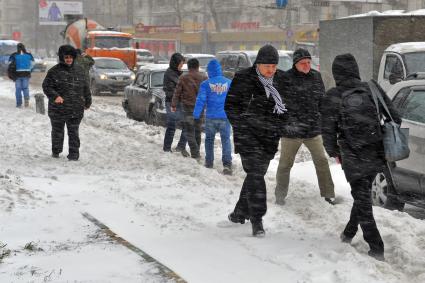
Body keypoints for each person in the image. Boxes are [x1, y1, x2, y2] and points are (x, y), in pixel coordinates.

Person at [321, 53, 401, 261]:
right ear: (356, 69)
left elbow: (328, 131)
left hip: (352, 154)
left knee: (363, 201)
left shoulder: (333, 96)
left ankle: (376, 247)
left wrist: (334, 151)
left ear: (336, 73)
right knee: (363, 194)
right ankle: (348, 232)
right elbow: (395, 117)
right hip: (375, 153)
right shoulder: (372, 88)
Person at [225, 45, 286, 237]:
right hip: (248, 136)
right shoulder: (243, 78)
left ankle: (239, 212)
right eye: (267, 66)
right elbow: (230, 106)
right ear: (258, 64)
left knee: (255, 174)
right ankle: (257, 219)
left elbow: (288, 106)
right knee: (256, 174)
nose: (271, 70)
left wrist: (282, 125)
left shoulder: (281, 80)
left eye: (274, 66)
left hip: (269, 137)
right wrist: (242, 125)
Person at [275, 48, 335, 205]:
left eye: (309, 62)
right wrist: (287, 122)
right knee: (285, 165)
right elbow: (279, 104)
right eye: (303, 63)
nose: (307, 65)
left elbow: (322, 100)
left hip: (312, 129)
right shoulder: (285, 78)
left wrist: (323, 118)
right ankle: (280, 195)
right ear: (295, 64)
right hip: (291, 131)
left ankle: (328, 194)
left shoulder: (316, 76)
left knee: (322, 160)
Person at [42, 45, 92, 161]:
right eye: (66, 57)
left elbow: (85, 87)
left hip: (75, 108)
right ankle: (56, 151)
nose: (69, 59)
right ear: (62, 57)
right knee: (58, 132)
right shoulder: (54, 71)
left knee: (74, 132)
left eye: (71, 57)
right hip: (57, 109)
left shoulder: (80, 70)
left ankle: (74, 154)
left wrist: (88, 100)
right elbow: (46, 86)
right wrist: (55, 96)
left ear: (74, 57)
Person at [193, 59, 233, 175]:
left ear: (209, 71)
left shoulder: (205, 84)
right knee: (225, 140)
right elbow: (233, 100)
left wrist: (196, 114)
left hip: (211, 117)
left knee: (209, 140)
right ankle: (227, 165)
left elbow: (201, 100)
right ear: (219, 70)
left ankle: (209, 162)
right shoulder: (228, 83)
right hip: (225, 117)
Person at [171, 58, 207, 159]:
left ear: (189, 66)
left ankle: (195, 153)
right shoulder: (204, 77)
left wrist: (173, 104)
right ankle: (197, 152)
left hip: (188, 108)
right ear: (198, 66)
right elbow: (207, 93)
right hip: (200, 108)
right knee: (198, 131)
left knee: (189, 131)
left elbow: (177, 92)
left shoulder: (183, 77)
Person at [163, 53, 188, 155]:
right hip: (171, 103)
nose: (181, 66)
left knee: (187, 124)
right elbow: (170, 90)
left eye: (182, 64)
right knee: (172, 124)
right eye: (180, 64)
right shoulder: (169, 73)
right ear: (175, 63)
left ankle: (181, 146)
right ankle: (167, 148)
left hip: (180, 103)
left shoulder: (179, 73)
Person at [8, 43, 34, 108]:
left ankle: (19, 104)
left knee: (18, 89)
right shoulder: (29, 55)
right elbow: (33, 64)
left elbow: (9, 64)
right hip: (26, 74)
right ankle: (26, 100)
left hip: (17, 75)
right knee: (25, 88)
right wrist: (29, 69)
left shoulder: (14, 55)